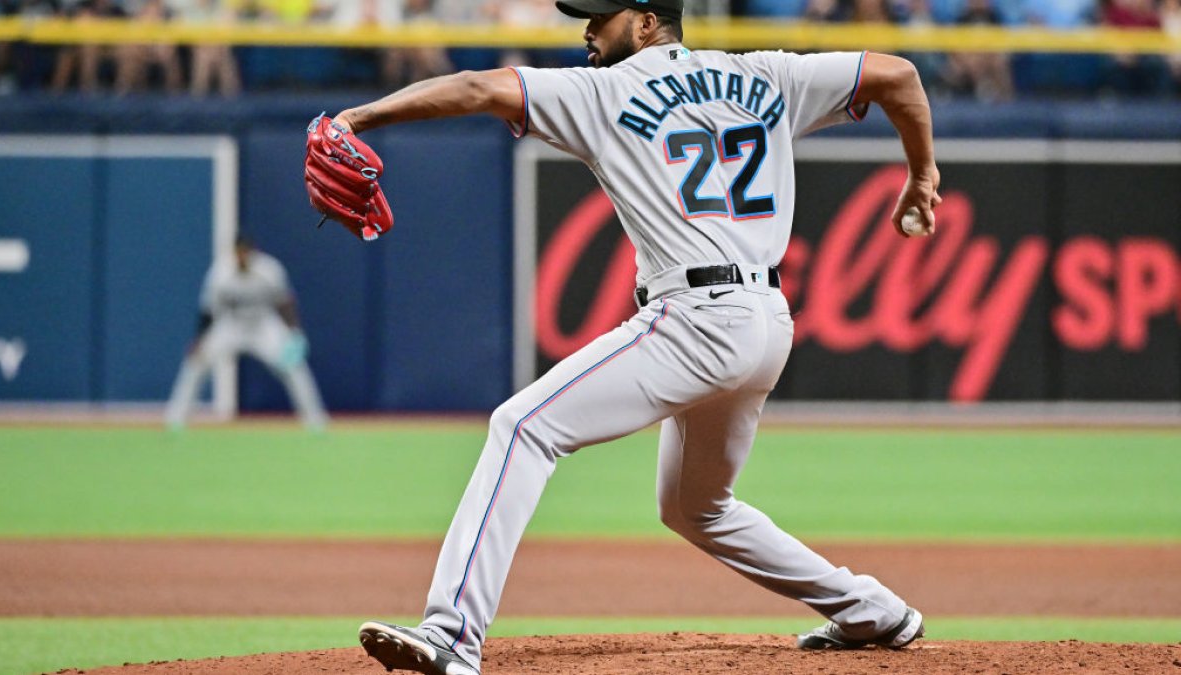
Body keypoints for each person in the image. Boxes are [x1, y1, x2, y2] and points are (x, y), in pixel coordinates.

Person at [331, 0, 940, 671]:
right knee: (695, 506)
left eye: (602, 16)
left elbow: (477, 87)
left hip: (696, 318)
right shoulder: (768, 75)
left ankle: (451, 632)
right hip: (766, 321)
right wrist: (921, 174)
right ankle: (869, 608)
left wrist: (355, 118)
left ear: (648, 22)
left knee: (522, 425)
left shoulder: (604, 89)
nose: (587, 29)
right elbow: (899, 75)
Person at [165, 235, 328, 431]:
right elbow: (208, 311)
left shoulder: (269, 270)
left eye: (245, 253)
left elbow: (285, 302)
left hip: (263, 324)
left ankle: (316, 421)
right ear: (233, 253)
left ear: (252, 253)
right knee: (196, 362)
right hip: (231, 324)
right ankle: (175, 419)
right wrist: (199, 339)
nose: (241, 257)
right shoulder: (220, 273)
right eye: (238, 253)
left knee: (294, 365)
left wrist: (294, 332)